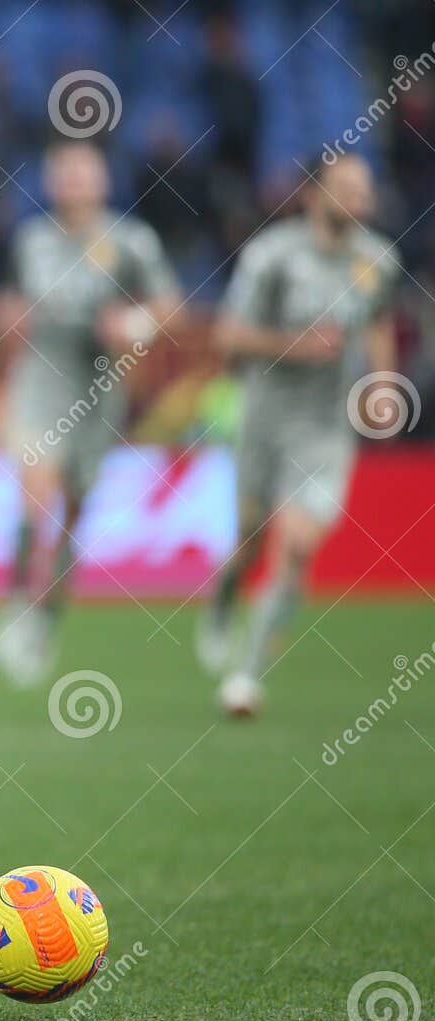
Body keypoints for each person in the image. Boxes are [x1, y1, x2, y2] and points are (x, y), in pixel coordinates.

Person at [201, 154, 400, 715]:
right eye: (346, 189)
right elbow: (228, 336)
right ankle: (224, 596)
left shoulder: (378, 260)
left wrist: (382, 383)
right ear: (314, 195)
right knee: (251, 538)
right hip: (265, 420)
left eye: (365, 188)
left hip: (325, 426)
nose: (359, 200)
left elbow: (380, 320)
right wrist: (294, 345)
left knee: (299, 543)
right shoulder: (272, 257)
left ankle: (246, 673)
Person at [0, 141, 179, 686]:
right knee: (36, 494)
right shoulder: (32, 241)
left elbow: (168, 304)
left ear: (102, 181)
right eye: (64, 175)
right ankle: (15, 602)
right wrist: (9, 330)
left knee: (74, 511)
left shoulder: (131, 242)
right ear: (51, 184)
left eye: (83, 174)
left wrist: (134, 326)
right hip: (43, 377)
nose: (74, 183)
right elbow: (10, 302)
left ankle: (47, 616)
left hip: (98, 384)